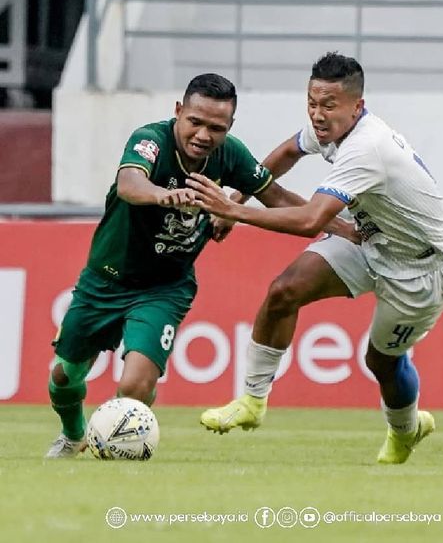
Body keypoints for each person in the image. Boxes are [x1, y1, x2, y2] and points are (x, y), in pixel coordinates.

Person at [46, 72, 354, 458]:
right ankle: (73, 433)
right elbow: (129, 184)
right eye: (195, 122)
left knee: (135, 386)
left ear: (229, 127)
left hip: (164, 288)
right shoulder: (150, 141)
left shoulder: (231, 155)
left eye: (216, 127)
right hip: (105, 281)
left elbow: (275, 196)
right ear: (178, 112)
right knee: (64, 377)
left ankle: (122, 443)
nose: (203, 135)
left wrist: (342, 229)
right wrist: (167, 196)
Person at [187, 52, 443, 464]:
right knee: (284, 291)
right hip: (369, 239)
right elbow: (286, 153)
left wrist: (233, 211)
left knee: (380, 361)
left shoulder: (367, 147)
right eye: (312, 103)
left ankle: (406, 430)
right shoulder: (331, 129)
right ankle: (251, 402)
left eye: (329, 105)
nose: (317, 114)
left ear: (358, 107)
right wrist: (240, 193)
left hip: (421, 267)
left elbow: (312, 219)